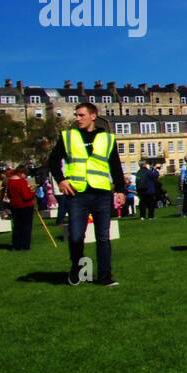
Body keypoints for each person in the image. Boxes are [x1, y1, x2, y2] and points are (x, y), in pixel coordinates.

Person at [46, 101, 126, 287]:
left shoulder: (106, 138)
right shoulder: (68, 137)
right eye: (76, 115)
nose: (77, 118)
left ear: (93, 115)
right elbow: (53, 160)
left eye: (81, 115)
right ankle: (77, 267)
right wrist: (61, 180)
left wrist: (120, 190)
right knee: (75, 236)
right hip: (77, 194)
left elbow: (115, 166)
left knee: (103, 237)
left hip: (102, 193)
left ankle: (105, 276)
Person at [5, 164, 37, 251]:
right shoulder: (21, 182)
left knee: (17, 226)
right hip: (25, 206)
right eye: (25, 174)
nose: (25, 176)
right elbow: (26, 196)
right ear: (21, 173)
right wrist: (33, 192)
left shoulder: (10, 181)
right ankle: (25, 245)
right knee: (26, 226)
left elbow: (8, 194)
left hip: (14, 206)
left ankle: (16, 245)